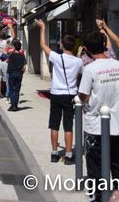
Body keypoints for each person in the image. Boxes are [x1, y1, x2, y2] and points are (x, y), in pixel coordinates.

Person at [78, 30, 119, 202]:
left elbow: (83, 96)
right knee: (118, 164)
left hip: (96, 126)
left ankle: (98, 197)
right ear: (105, 45)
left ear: (86, 49)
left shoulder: (90, 69)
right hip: (117, 125)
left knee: (95, 166)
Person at [34, 19, 83, 164]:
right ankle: (68, 154)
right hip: (70, 95)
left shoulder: (56, 57)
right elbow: (80, 73)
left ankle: (54, 154)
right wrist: (79, 55)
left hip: (56, 94)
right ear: (74, 46)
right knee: (68, 126)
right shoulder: (78, 61)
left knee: (54, 124)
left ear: (62, 45)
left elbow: (43, 45)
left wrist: (43, 28)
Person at [6, 39, 26, 112]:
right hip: (19, 73)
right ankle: (16, 105)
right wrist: (21, 73)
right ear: (20, 47)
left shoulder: (11, 55)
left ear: (14, 47)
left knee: (11, 89)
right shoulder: (22, 56)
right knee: (17, 90)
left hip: (12, 73)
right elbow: (24, 67)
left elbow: (6, 59)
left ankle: (13, 105)